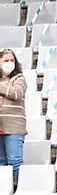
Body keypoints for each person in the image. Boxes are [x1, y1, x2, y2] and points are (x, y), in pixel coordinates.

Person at [0, 50, 26, 181]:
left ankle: (23, 188)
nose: (10, 63)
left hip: (14, 128)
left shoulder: (19, 78)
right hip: (0, 127)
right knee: (1, 163)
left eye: (12, 60)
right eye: (6, 60)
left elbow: (17, 94)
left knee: (15, 162)